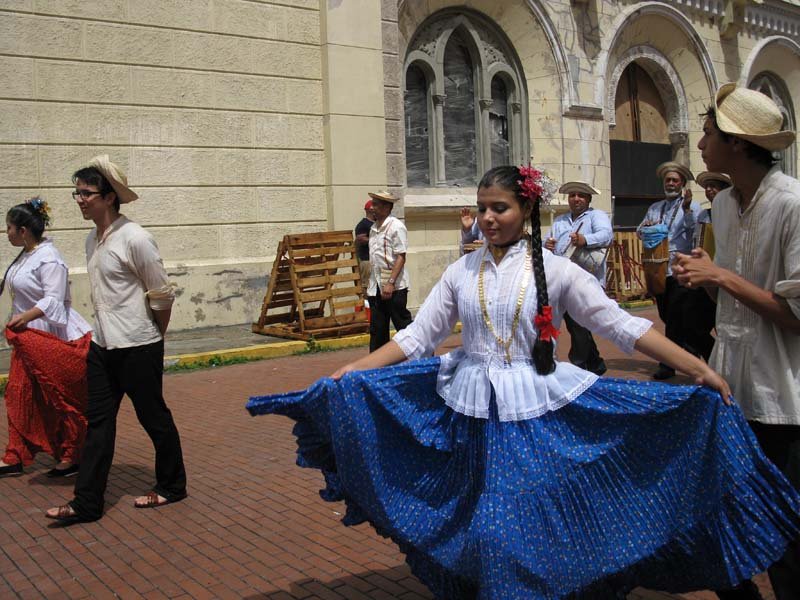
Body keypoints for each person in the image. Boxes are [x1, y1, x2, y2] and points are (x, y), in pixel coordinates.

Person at [249, 165, 800, 600]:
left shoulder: (557, 270)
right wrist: (356, 369)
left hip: (537, 412)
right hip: (470, 413)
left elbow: (622, 327)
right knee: (483, 527)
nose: (487, 219)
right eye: (482, 208)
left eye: (500, 208)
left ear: (526, 210)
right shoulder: (461, 270)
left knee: (513, 531)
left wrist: (698, 369)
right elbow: (418, 337)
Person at [674, 83, 800, 600]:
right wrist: (703, 278)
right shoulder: (723, 205)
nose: (701, 144)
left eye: (708, 133)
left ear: (738, 142)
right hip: (731, 389)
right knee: (724, 513)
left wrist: (720, 276)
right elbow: (729, 295)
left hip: (783, 398)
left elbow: (796, 315)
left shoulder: (792, 205)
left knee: (788, 533)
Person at [45, 155, 187, 523]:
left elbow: (161, 294)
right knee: (98, 424)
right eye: (76, 193)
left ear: (109, 197)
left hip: (138, 344)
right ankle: (87, 503)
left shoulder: (135, 238)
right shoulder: (92, 239)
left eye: (86, 193)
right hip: (103, 345)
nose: (79, 200)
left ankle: (173, 485)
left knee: (153, 417)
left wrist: (155, 336)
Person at [0, 199, 92, 478]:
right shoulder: (26, 255)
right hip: (27, 337)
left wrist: (26, 317)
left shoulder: (50, 258)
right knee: (18, 393)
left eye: (9, 227)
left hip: (48, 335)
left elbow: (54, 299)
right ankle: (15, 454)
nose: (6, 232)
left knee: (57, 397)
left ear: (24, 230)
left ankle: (71, 454)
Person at [637, 161, 704, 379]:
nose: (671, 184)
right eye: (668, 180)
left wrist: (686, 210)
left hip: (679, 268)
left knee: (675, 317)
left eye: (675, 180)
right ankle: (691, 353)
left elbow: (695, 230)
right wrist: (648, 229)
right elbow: (639, 231)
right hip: (658, 270)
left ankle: (667, 364)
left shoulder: (692, 206)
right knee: (667, 315)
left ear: (682, 184)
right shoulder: (655, 208)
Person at [544, 181, 612, 375]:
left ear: (588, 199)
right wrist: (547, 245)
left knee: (578, 324)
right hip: (562, 279)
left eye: (581, 195)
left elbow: (607, 235)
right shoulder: (560, 221)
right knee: (577, 325)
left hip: (585, 279)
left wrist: (585, 240)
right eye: (572, 195)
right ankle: (595, 363)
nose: (576, 199)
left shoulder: (596, 216)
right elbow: (546, 241)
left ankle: (579, 364)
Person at [367, 190, 412, 352]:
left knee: (402, 324)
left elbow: (401, 256)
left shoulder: (396, 227)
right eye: (372, 204)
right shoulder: (374, 228)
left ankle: (422, 354)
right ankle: (377, 362)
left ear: (386, 207)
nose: (372, 207)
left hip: (395, 285)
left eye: (376, 204)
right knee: (377, 328)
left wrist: (391, 282)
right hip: (376, 285)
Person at [354, 199, 374, 294]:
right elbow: (360, 239)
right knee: (366, 286)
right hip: (366, 261)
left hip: (375, 260)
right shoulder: (363, 224)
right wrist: (376, 240)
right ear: (370, 210)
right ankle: (366, 302)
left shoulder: (377, 223)